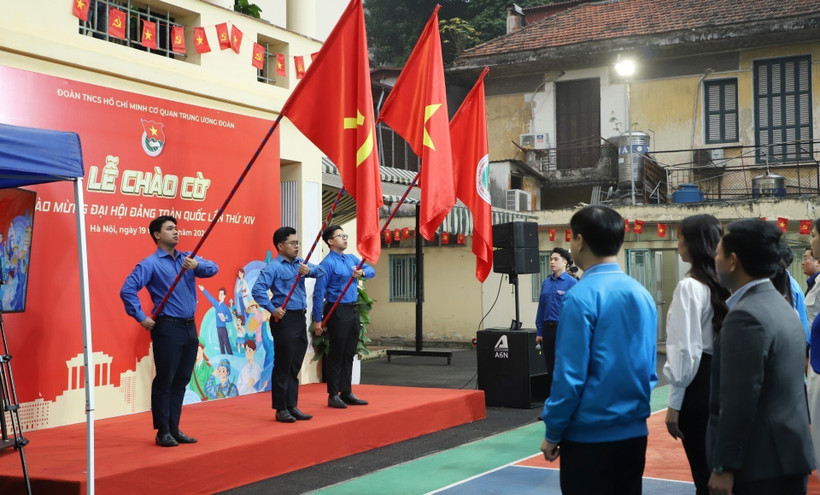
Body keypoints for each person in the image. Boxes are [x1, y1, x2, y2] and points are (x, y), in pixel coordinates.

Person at [540, 205, 657, 495]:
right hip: (634, 432)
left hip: (589, 437)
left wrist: (553, 431)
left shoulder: (579, 298)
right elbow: (648, 366)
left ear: (579, 241)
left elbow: (569, 377)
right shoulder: (641, 294)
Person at [708, 219, 814, 494]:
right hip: (786, 458)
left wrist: (724, 466)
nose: (714, 260)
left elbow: (737, 400)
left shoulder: (746, 316)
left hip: (759, 467)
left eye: (717, 253)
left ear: (733, 260)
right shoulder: (781, 305)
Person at [120, 215, 218, 447]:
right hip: (168, 328)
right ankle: (162, 430)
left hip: (189, 327)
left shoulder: (188, 259)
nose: (176, 232)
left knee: (182, 380)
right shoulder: (150, 264)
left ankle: (174, 428)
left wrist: (197, 266)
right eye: (170, 229)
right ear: (157, 235)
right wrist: (141, 317)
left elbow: (213, 268)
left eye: (176, 228)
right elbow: (127, 289)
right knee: (166, 379)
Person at [662, 215, 729, 495]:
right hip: (723, 380)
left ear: (694, 243)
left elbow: (685, 349)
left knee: (704, 474)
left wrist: (674, 403)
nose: (677, 243)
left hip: (698, 385)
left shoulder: (689, 286)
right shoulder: (724, 282)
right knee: (720, 470)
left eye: (680, 237)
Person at [252, 226, 324, 423]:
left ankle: (292, 405)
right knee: (283, 364)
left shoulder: (300, 263)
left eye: (297, 243)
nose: (296, 247)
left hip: (300, 318)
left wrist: (309, 270)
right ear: (280, 246)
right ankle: (281, 408)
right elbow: (257, 291)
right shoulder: (273, 267)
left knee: (294, 364)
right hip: (284, 319)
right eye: (292, 243)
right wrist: (272, 308)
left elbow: (321, 271)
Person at [312, 225, 375, 409]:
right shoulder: (327, 264)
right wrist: (318, 319)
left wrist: (361, 273)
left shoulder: (351, 259)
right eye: (341, 236)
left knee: (349, 353)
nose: (345, 239)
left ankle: (346, 392)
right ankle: (333, 394)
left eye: (346, 235)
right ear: (331, 241)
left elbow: (371, 271)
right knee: (336, 354)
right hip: (336, 311)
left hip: (353, 310)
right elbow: (318, 292)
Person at [533, 247, 577, 398]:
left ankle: (568, 401)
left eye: (555, 259)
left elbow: (576, 310)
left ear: (565, 262)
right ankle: (554, 403)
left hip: (565, 330)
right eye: (551, 259)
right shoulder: (546, 283)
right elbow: (541, 308)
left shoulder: (572, 283)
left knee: (565, 367)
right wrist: (539, 331)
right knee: (550, 367)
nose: (552, 262)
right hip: (548, 330)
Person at [199, 285, 233, 355]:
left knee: (227, 344)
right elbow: (210, 298)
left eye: (221, 294)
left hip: (223, 329)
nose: (220, 295)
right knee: (221, 346)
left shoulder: (225, 307)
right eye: (219, 294)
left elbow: (230, 318)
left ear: (224, 296)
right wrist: (203, 290)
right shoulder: (217, 304)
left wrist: (225, 319)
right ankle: (223, 359)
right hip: (218, 328)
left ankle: (231, 358)